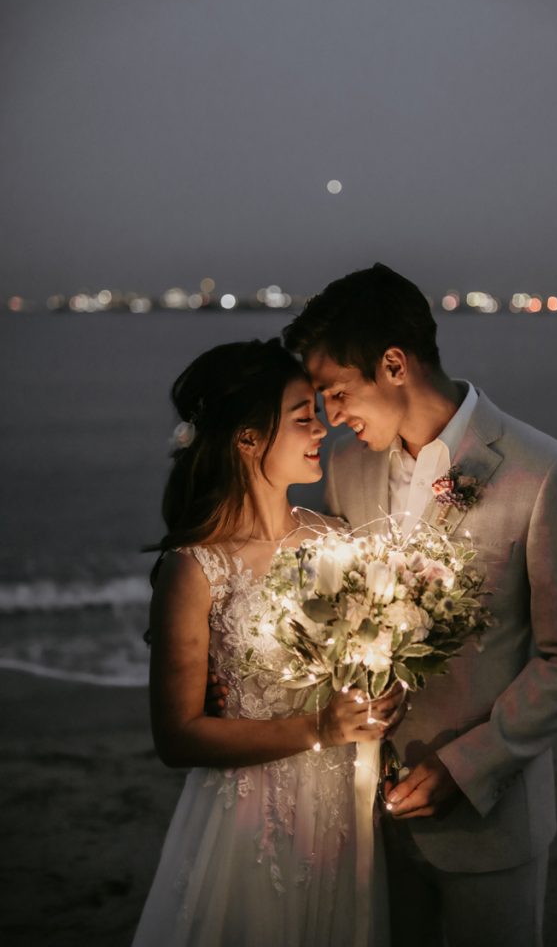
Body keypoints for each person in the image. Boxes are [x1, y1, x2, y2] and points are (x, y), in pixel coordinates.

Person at [277, 263, 557, 947]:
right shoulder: (347, 467)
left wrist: (466, 766)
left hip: (487, 825)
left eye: (336, 392)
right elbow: (334, 610)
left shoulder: (540, 472)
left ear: (393, 364)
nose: (329, 416)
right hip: (366, 815)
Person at [132, 339, 399, 947]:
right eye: (303, 418)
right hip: (250, 824)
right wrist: (319, 729)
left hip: (343, 810)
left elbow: (364, 660)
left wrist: (383, 695)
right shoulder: (196, 568)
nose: (323, 430)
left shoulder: (335, 538)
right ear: (248, 439)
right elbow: (177, 737)